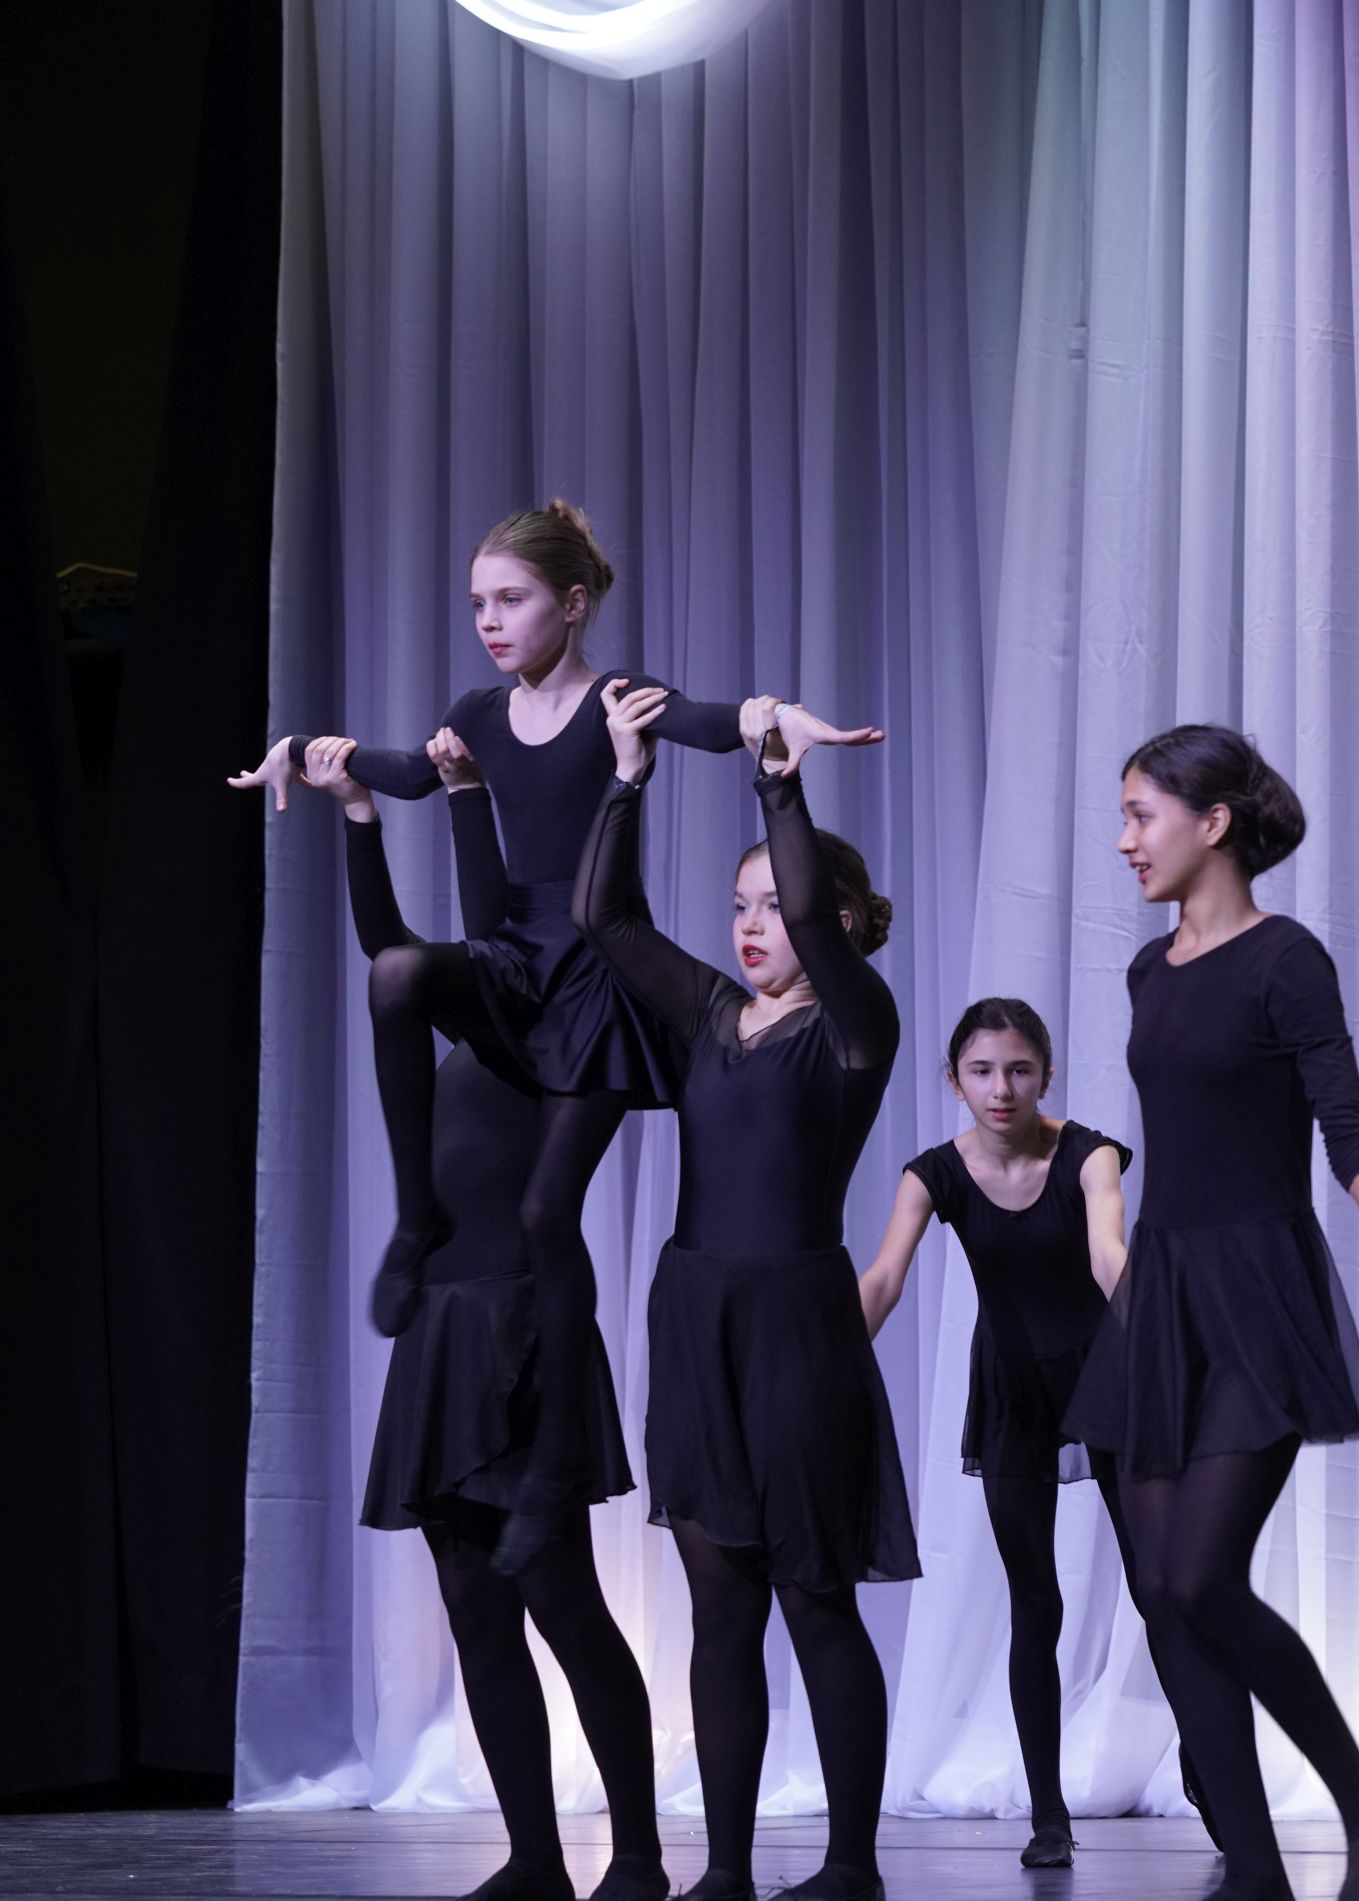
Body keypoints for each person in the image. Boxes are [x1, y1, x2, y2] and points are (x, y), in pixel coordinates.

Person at [228, 499, 875, 1575]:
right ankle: (417, 1213)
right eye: (478, 603)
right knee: (396, 971)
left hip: (602, 978)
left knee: (543, 1213)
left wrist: (775, 719)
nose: (490, 621)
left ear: (572, 606)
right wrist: (303, 751)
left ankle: (552, 1463)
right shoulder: (478, 715)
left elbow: (711, 719)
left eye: (512, 600)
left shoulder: (615, 701)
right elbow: (397, 771)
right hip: (517, 961)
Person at [1060, 723, 1359, 1901]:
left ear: (1211, 822)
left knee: (1199, 1576)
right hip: (1162, 1298)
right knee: (1163, 1595)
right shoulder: (1148, 969)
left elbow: (1351, 1141)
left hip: (1257, 1296)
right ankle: (1255, 1869)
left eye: (1140, 814)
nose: (1123, 839)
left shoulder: (1286, 959)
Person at [301, 734, 662, 1901]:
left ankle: (639, 1856)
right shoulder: (477, 1024)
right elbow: (395, 950)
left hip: (518, 1323)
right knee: (473, 1605)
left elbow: (484, 928)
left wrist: (468, 800)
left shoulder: (569, 1049)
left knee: (562, 1599)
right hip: (443, 1323)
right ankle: (535, 1860)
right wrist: (360, 811)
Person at [581, 681, 910, 1901]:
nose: (755, 924)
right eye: (739, 905)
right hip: (695, 1315)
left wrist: (777, 777)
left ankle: (850, 1864)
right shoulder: (715, 1014)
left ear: (838, 919)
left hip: (794, 1325)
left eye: (775, 903)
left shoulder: (856, 1023)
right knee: (720, 1609)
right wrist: (626, 776)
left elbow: (817, 919)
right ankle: (721, 1866)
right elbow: (605, 918)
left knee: (815, 1597)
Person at [856, 997, 1132, 1867]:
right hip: (1012, 1391)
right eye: (981, 1071)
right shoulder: (933, 1173)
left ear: (1045, 1073)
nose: (1001, 1088)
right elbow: (884, 1278)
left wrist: (1161, 1337)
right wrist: (821, 1358)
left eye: (1019, 1069)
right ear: (955, 1081)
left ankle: (1207, 1763)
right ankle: (1048, 1815)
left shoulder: (1088, 1153)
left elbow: (1109, 1255)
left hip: (1107, 1375)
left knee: (1166, 1588)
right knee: (1034, 1601)